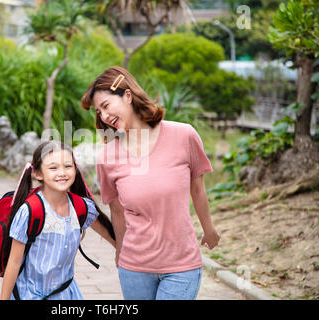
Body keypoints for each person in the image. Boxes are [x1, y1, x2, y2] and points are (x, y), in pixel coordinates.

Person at [81, 66, 220, 300]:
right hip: (134, 267)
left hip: (181, 265)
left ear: (127, 95)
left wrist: (209, 230)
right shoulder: (107, 157)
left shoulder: (183, 135)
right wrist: (121, 252)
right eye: (98, 112)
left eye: (106, 106)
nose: (103, 117)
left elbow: (197, 189)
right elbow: (117, 210)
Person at [0, 140, 116, 300]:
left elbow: (110, 235)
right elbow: (14, 262)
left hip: (66, 293)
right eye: (53, 168)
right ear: (38, 173)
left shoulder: (81, 207)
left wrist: (124, 255)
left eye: (68, 166)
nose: (62, 172)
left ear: (76, 169)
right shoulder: (30, 211)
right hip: (30, 294)